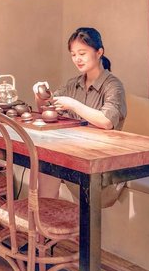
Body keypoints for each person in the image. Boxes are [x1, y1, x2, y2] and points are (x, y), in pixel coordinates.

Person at [33, 27, 127, 200]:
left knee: (49, 159)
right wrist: (40, 95)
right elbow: (47, 108)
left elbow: (107, 121)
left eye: (82, 53)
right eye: (73, 54)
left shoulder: (113, 85)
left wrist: (73, 104)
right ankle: (45, 214)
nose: (77, 59)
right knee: (45, 158)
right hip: (76, 155)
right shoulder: (73, 84)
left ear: (99, 52)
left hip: (103, 162)